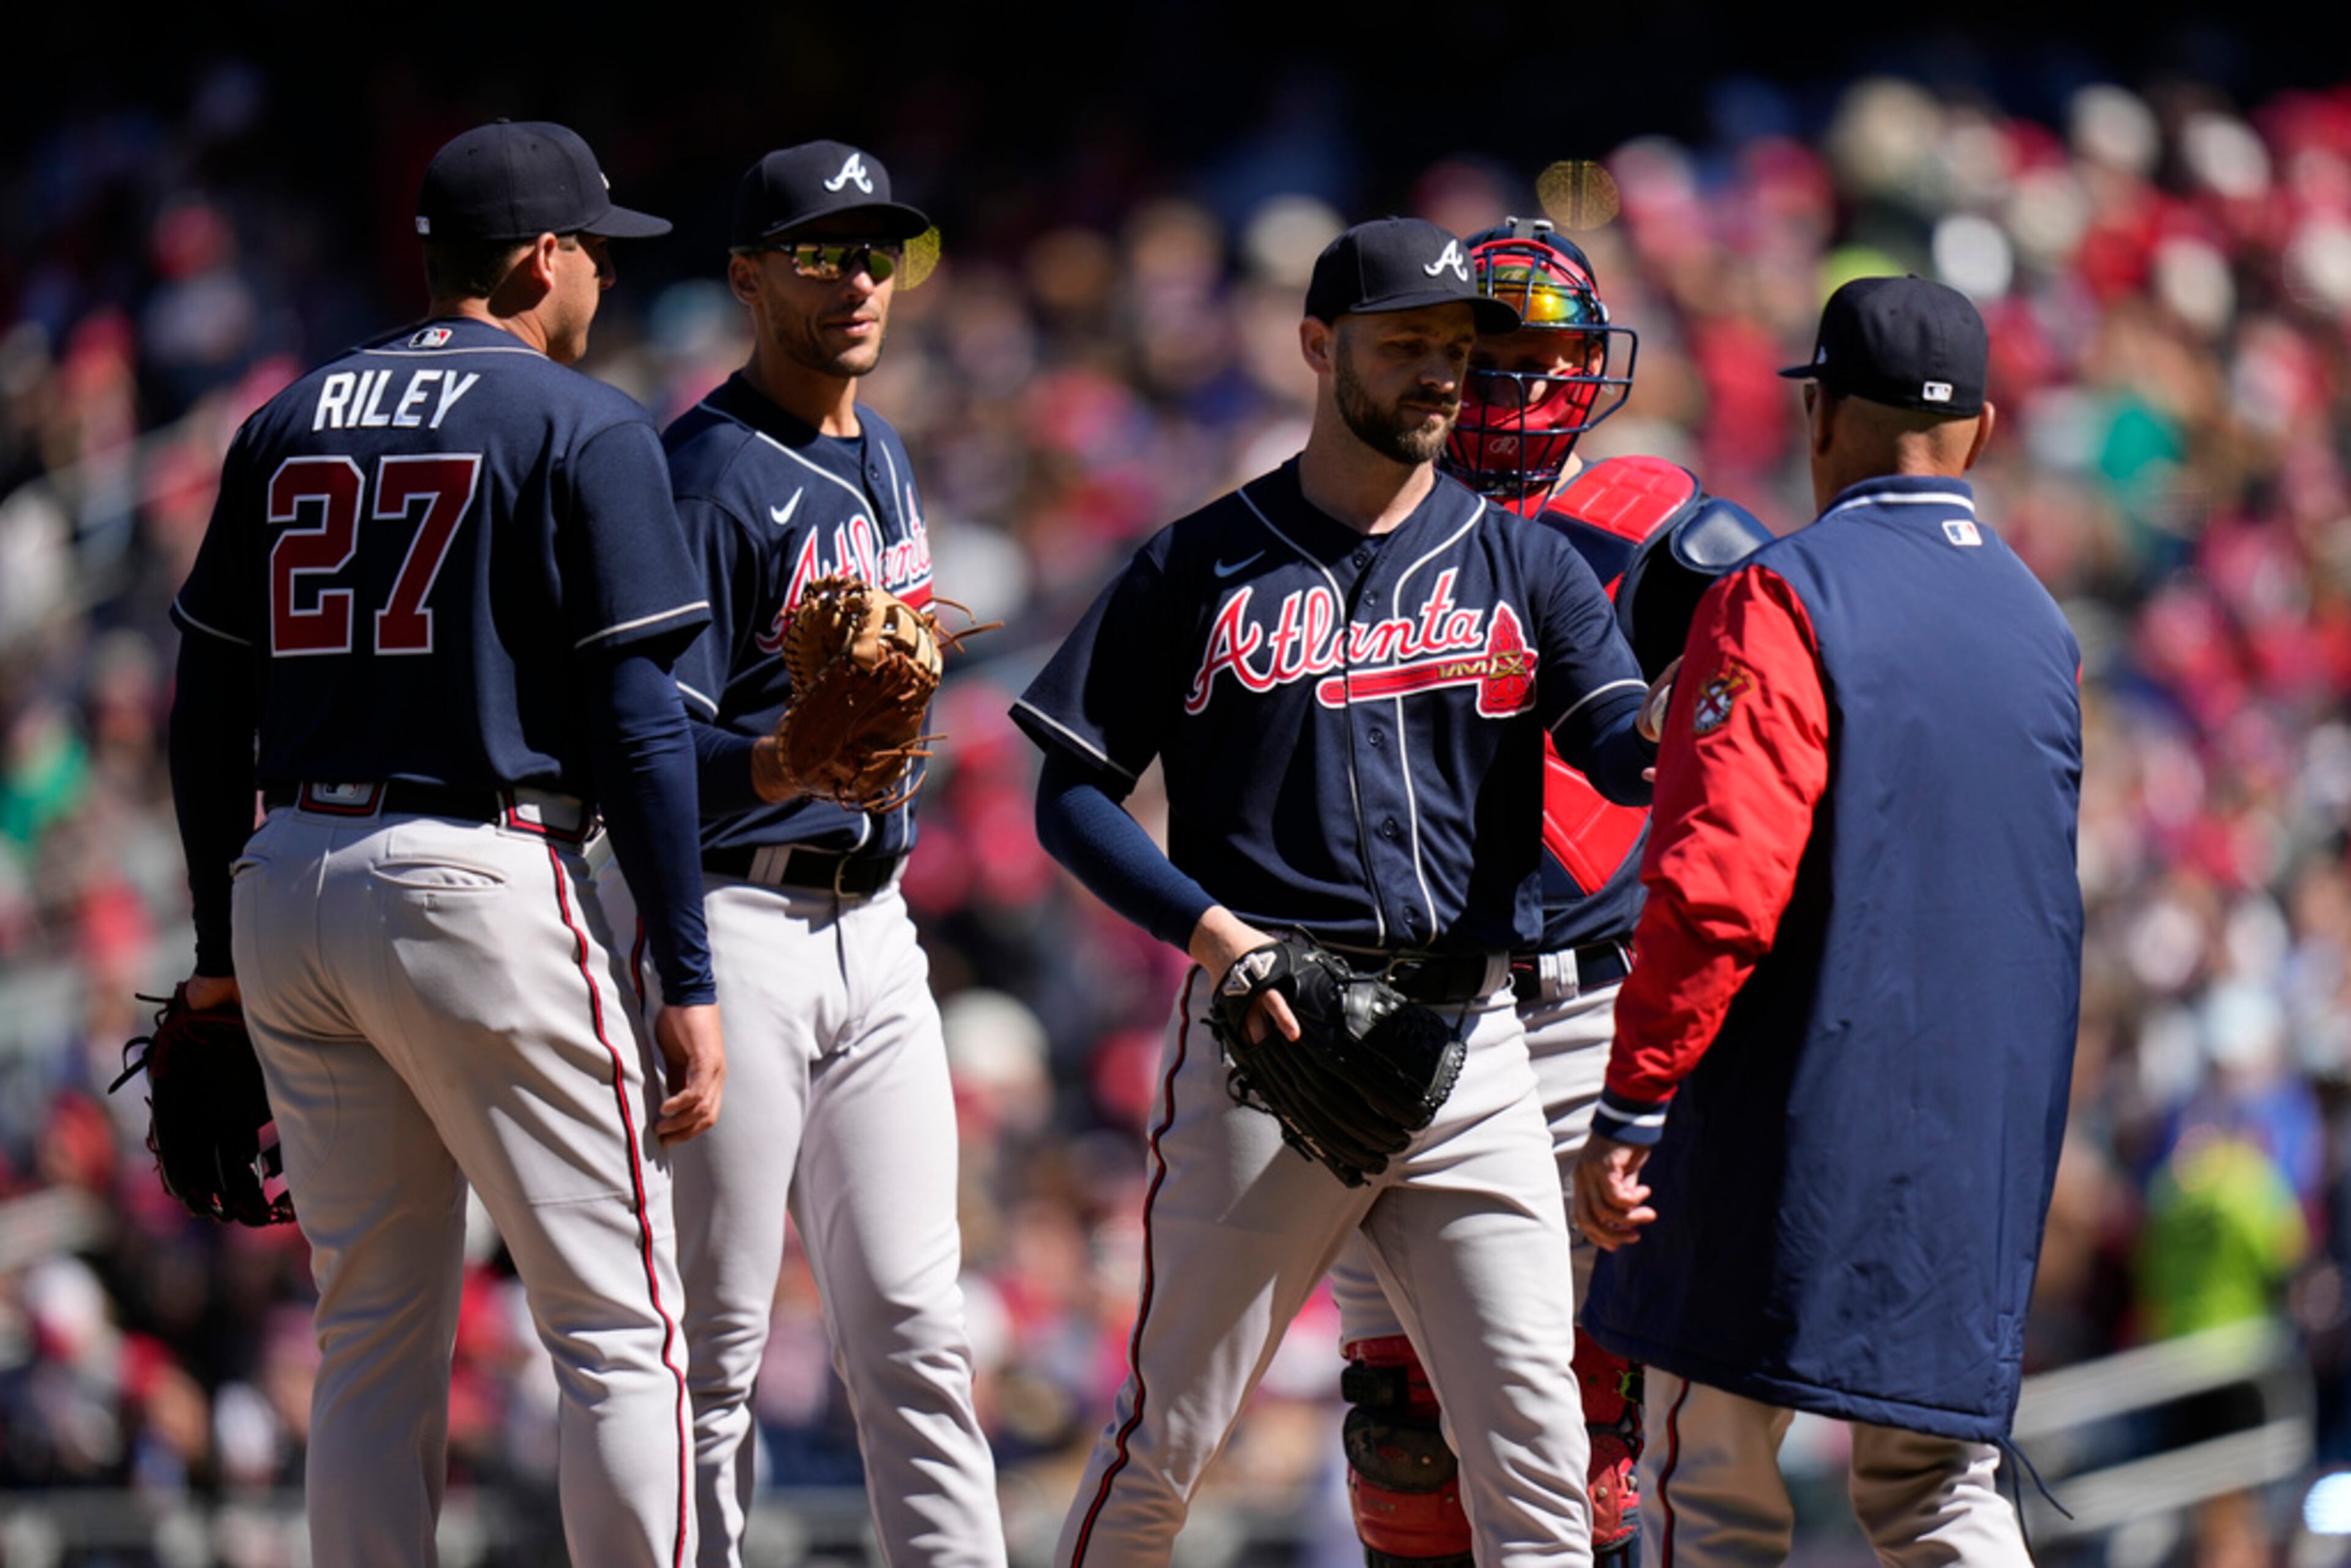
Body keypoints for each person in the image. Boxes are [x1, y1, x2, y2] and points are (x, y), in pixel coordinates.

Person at [1014, 215, 1658, 1568]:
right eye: (1406, 344)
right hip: (1273, 1032)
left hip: (1474, 1045)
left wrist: (1715, 708)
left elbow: (1621, 744)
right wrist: (1216, 938)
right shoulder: (1198, 562)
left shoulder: (1527, 564)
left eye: (1457, 348)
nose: (1440, 373)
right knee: (1164, 1446)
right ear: (1319, 346)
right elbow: (1068, 792)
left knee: (1545, 1477)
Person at [166, 120, 724, 1568]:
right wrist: (688, 965)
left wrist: (217, 958)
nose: (603, 272)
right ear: (542, 258)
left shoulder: (287, 415)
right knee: (617, 1326)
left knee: (368, 1340)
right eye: (595, 246)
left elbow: (203, 710)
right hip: (476, 871)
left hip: (288, 879)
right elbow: (639, 721)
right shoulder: (577, 421)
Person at [1570, 275, 2083, 1566]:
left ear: (1823, 419)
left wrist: (1635, 1102)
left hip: (1784, 1115)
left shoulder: (1787, 594)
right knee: (1941, 1499)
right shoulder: (2041, 623)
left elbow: (1718, 885)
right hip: (1982, 1132)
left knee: (1716, 1494)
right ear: (1978, 429)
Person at [1326, 217, 1769, 1567]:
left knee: (1588, 1425)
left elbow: (1770, 744)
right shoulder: (1353, 513)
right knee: (1406, 1435)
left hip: (1582, 1001)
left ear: (1597, 368)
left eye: (1549, 356)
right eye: (1492, 352)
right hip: (1392, 1005)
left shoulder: (1662, 526)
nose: (1518, 385)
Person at [598, 141, 1005, 1568]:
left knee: (915, 1330)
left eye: (878, 250)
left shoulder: (877, 445)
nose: (858, 280)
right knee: (712, 1348)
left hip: (875, 928)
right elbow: (642, 764)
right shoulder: (698, 481)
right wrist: (778, 763)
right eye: (824, 252)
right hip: (734, 929)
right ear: (747, 277)